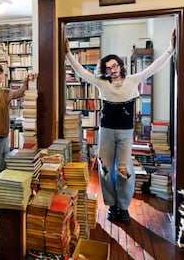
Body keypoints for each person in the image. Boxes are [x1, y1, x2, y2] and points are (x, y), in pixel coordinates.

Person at [65, 30, 176, 224]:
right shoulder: (102, 84)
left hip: (125, 133)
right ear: (105, 71)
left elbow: (154, 68)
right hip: (106, 132)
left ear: (120, 66)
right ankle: (112, 205)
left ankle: (123, 207)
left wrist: (171, 48)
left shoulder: (132, 81)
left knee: (124, 169)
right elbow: (82, 72)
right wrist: (68, 54)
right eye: (108, 68)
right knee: (105, 169)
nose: (113, 70)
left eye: (115, 66)